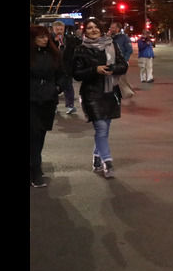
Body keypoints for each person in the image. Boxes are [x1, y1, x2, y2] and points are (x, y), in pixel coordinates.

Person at [71, 20, 129, 179]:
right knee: (101, 128)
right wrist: (95, 70)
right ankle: (107, 161)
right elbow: (76, 74)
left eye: (96, 27)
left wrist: (112, 69)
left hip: (111, 92)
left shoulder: (112, 45)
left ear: (101, 29)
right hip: (91, 93)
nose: (93, 30)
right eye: (89, 28)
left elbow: (123, 65)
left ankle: (97, 155)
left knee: (105, 129)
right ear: (85, 32)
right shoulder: (80, 49)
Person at [30, 25, 67, 187]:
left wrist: (57, 88)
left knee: (41, 134)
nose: (45, 39)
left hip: (48, 100)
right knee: (34, 134)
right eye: (40, 37)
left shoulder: (54, 54)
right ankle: (36, 172)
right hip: (31, 100)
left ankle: (34, 167)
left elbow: (62, 75)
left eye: (46, 36)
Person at [51, 21, 78, 115]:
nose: (59, 31)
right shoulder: (49, 39)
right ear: (53, 29)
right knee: (53, 88)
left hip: (66, 67)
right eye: (57, 29)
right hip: (53, 68)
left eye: (61, 29)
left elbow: (73, 52)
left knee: (68, 87)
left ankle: (70, 105)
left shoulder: (69, 39)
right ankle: (54, 106)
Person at [107, 22, 135, 98]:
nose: (110, 29)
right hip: (110, 63)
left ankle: (123, 93)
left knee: (120, 79)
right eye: (110, 27)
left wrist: (124, 61)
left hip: (120, 63)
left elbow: (129, 50)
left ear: (117, 29)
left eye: (112, 27)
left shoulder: (124, 38)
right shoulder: (108, 37)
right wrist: (106, 38)